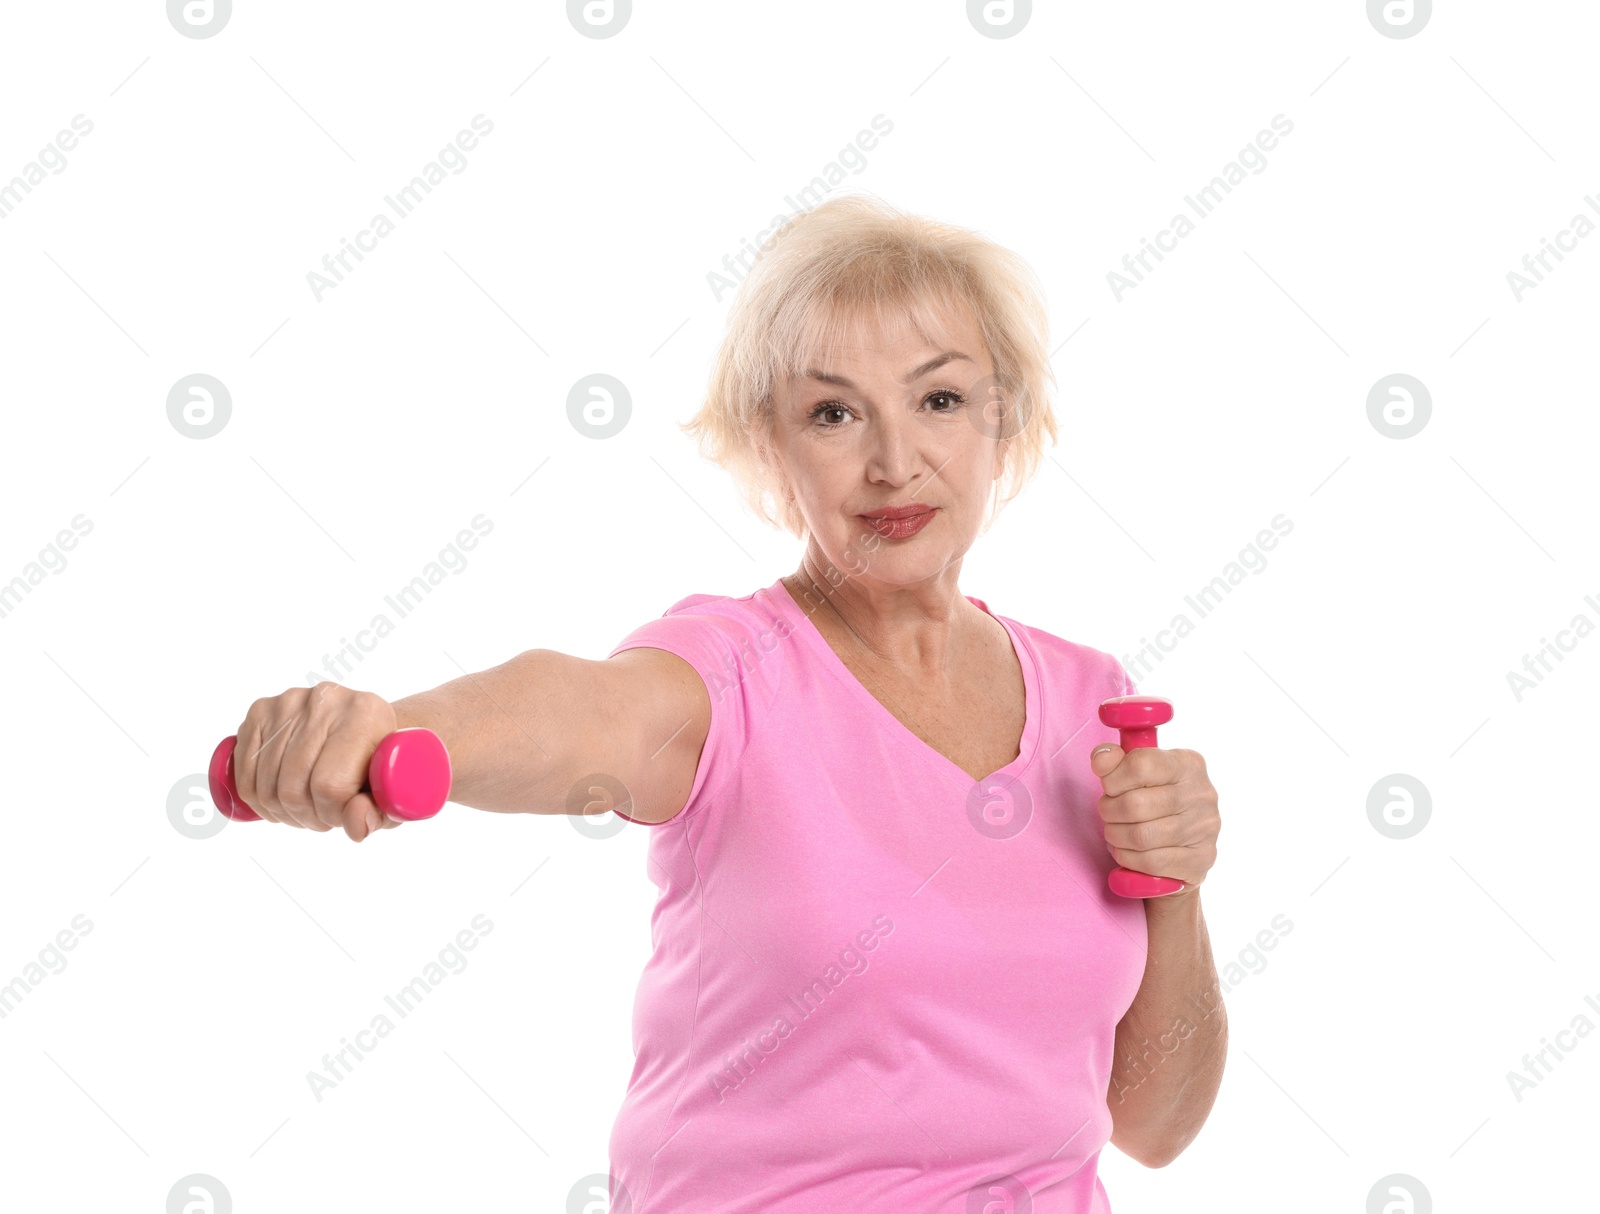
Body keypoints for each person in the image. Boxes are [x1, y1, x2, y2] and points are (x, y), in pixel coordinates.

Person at [227, 193, 1226, 1212]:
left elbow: (1154, 1122)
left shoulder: (1092, 699)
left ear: (1000, 417)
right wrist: (392, 730)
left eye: (938, 400)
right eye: (832, 412)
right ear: (770, 441)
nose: (893, 460)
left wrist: (1176, 881)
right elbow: (581, 710)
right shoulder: (731, 670)